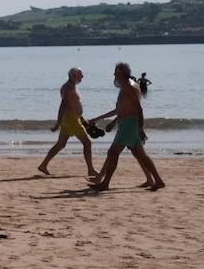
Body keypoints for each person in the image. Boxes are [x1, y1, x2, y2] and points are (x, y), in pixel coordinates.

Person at [88, 62, 166, 192]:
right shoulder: (126, 87)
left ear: (121, 73)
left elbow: (139, 109)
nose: (114, 75)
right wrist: (98, 119)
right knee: (140, 155)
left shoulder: (129, 87)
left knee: (113, 153)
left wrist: (141, 128)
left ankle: (105, 183)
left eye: (116, 72)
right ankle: (158, 181)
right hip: (127, 124)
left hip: (129, 125)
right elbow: (119, 109)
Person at [37, 67, 98, 178]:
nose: (82, 77)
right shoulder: (69, 88)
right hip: (71, 120)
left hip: (72, 119)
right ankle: (91, 170)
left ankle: (43, 165)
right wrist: (58, 124)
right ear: (74, 75)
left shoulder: (72, 86)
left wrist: (82, 119)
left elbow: (73, 105)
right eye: (80, 74)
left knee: (61, 144)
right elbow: (63, 106)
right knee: (87, 143)